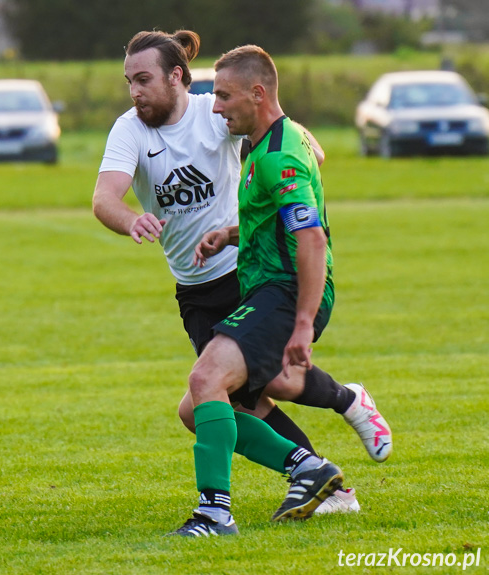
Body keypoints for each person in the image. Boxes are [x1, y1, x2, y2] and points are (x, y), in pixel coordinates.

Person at [92, 31, 392, 534]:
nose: (134, 91)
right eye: (129, 82)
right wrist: (131, 220)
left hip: (245, 272)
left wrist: (283, 175)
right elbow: (105, 198)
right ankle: (321, 473)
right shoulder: (131, 130)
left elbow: (299, 146)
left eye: (143, 79)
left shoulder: (217, 111)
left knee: (229, 386)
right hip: (195, 287)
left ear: (177, 77)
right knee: (214, 405)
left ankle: (223, 508)